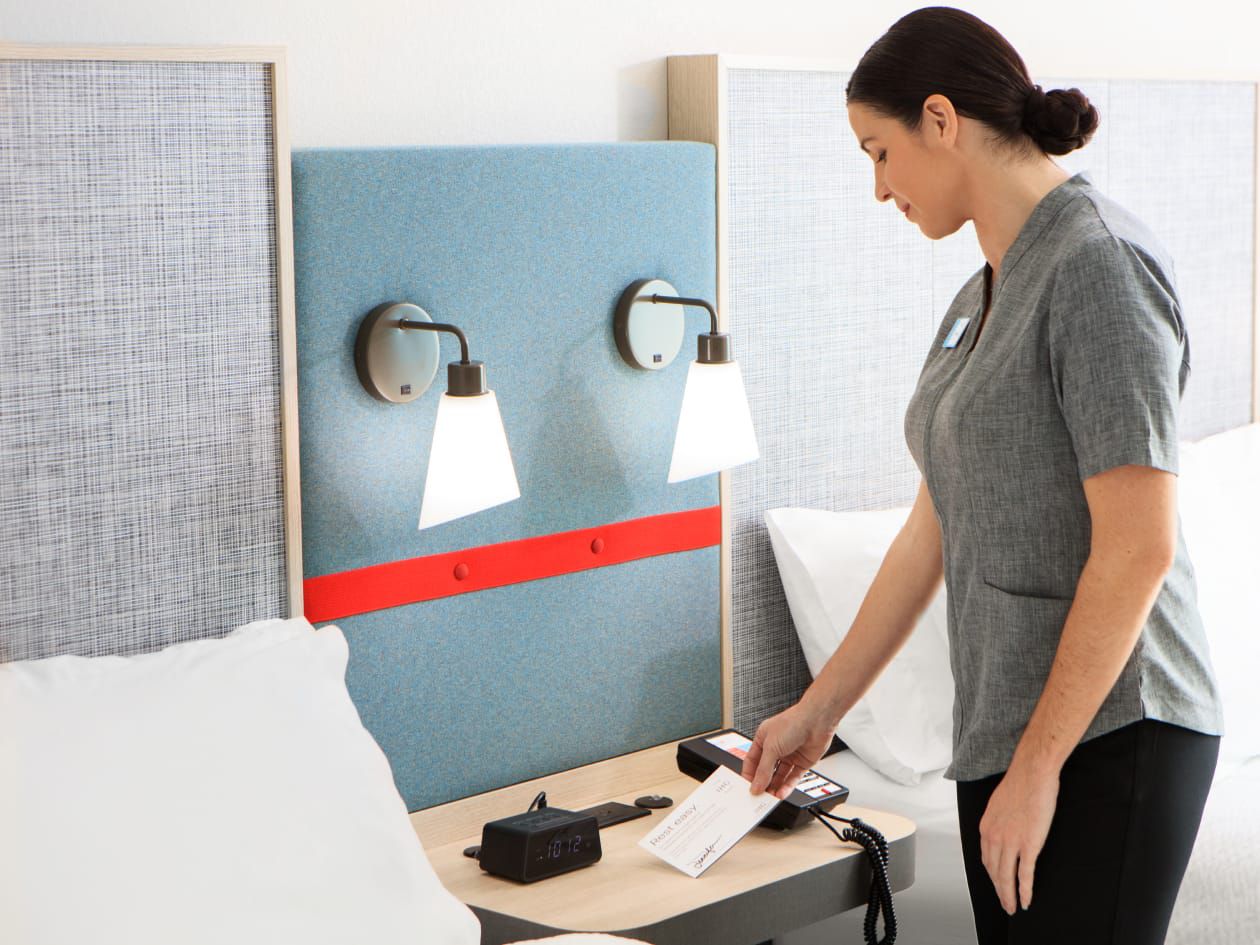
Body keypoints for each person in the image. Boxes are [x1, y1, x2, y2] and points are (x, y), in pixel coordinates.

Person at [739, 8, 1224, 944]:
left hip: (1113, 730)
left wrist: (1039, 767)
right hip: (1006, 731)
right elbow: (936, 524)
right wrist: (817, 710)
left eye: (879, 152)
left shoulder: (1099, 267)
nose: (878, 188)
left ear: (940, 119)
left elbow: (1138, 548)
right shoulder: (984, 287)